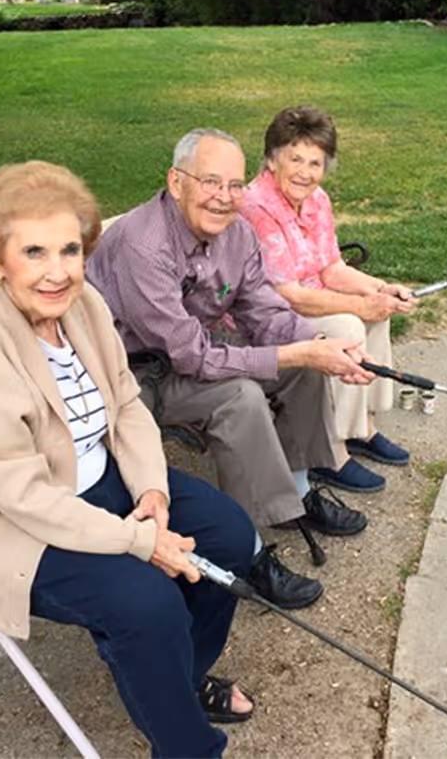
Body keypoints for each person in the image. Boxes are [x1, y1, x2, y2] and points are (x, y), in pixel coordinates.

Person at [0, 161, 255, 759]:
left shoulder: (82, 305)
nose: (57, 271)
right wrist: (141, 541)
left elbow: (124, 403)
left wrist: (152, 493)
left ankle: (173, 684)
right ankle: (187, 746)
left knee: (229, 536)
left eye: (70, 249)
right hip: (4, 524)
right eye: (34, 252)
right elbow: (22, 496)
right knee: (147, 603)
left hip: (96, 479)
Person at [86, 128, 380, 608]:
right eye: (209, 182)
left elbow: (264, 312)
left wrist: (322, 346)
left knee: (305, 367)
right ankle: (246, 552)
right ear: (176, 181)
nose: (224, 198)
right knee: (240, 396)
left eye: (235, 185)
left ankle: (298, 494)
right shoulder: (144, 246)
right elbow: (193, 357)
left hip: (183, 355)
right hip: (129, 378)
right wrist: (300, 352)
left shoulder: (237, 232)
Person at [240, 106, 415, 487]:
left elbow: (331, 269)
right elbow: (288, 294)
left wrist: (379, 289)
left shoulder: (317, 200)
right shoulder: (257, 207)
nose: (305, 172)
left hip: (307, 298)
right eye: (295, 159)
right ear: (272, 160)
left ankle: (361, 428)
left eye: (315, 162)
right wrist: (360, 305)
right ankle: (329, 450)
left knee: (376, 314)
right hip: (266, 313)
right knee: (348, 324)